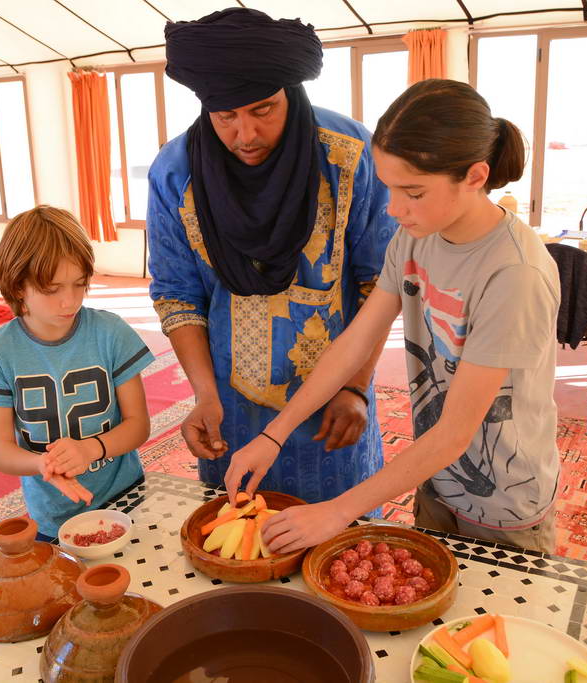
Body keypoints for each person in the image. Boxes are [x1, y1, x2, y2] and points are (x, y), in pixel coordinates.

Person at [226, 79, 562, 554]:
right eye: (389, 188)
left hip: (505, 501)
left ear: (474, 175)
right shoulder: (416, 235)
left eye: (414, 192)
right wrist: (273, 434)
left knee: (494, 626)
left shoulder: (513, 273)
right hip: (433, 475)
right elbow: (355, 342)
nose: (394, 208)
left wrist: (338, 511)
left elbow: (455, 432)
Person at [146, 8, 396, 504]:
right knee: (239, 541)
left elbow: (381, 283)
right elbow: (177, 294)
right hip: (230, 407)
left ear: (292, 93)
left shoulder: (349, 155)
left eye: (263, 110)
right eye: (225, 117)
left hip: (334, 402)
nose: (245, 135)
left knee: (339, 549)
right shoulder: (176, 173)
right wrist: (204, 396)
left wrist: (357, 387)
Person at [0, 206, 155, 542]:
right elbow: (1, 451)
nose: (70, 301)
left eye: (79, 284)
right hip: (52, 517)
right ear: (18, 286)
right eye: (52, 289)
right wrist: (43, 466)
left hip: (128, 501)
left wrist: (91, 449)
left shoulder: (111, 332)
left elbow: (138, 424)